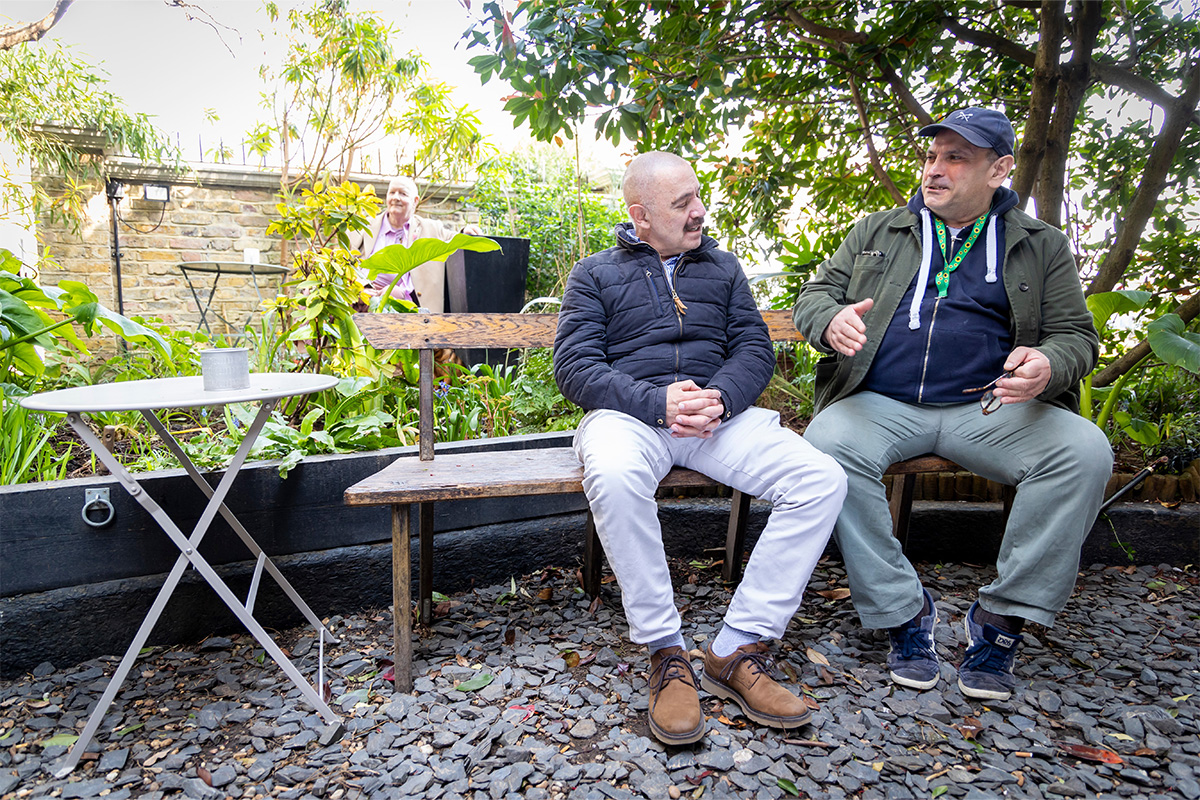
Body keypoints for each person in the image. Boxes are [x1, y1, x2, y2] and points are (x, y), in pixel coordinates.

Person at [793, 107, 1113, 701]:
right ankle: (902, 609)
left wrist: (1048, 364)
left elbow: (1076, 336)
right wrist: (829, 320)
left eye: (954, 158)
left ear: (999, 169)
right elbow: (814, 295)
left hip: (990, 408)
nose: (933, 171)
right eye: (930, 157)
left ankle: (1002, 618)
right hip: (880, 401)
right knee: (826, 448)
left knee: (1083, 451)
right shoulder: (877, 231)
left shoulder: (1041, 245)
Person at [554, 151, 847, 744]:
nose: (699, 211)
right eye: (682, 203)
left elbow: (755, 352)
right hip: (632, 418)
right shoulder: (595, 274)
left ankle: (737, 649)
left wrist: (719, 398)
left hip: (718, 419)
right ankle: (667, 652)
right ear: (640, 215)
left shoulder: (724, 268)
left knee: (821, 479)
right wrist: (658, 402)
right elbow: (576, 368)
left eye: (697, 196)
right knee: (609, 472)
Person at [348, 175, 479, 312]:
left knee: (395, 294)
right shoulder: (365, 227)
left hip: (413, 311)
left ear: (415, 201)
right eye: (392, 192)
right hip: (365, 305)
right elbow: (345, 263)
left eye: (403, 193)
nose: (396, 197)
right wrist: (361, 289)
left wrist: (466, 231)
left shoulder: (431, 228)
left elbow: (454, 239)